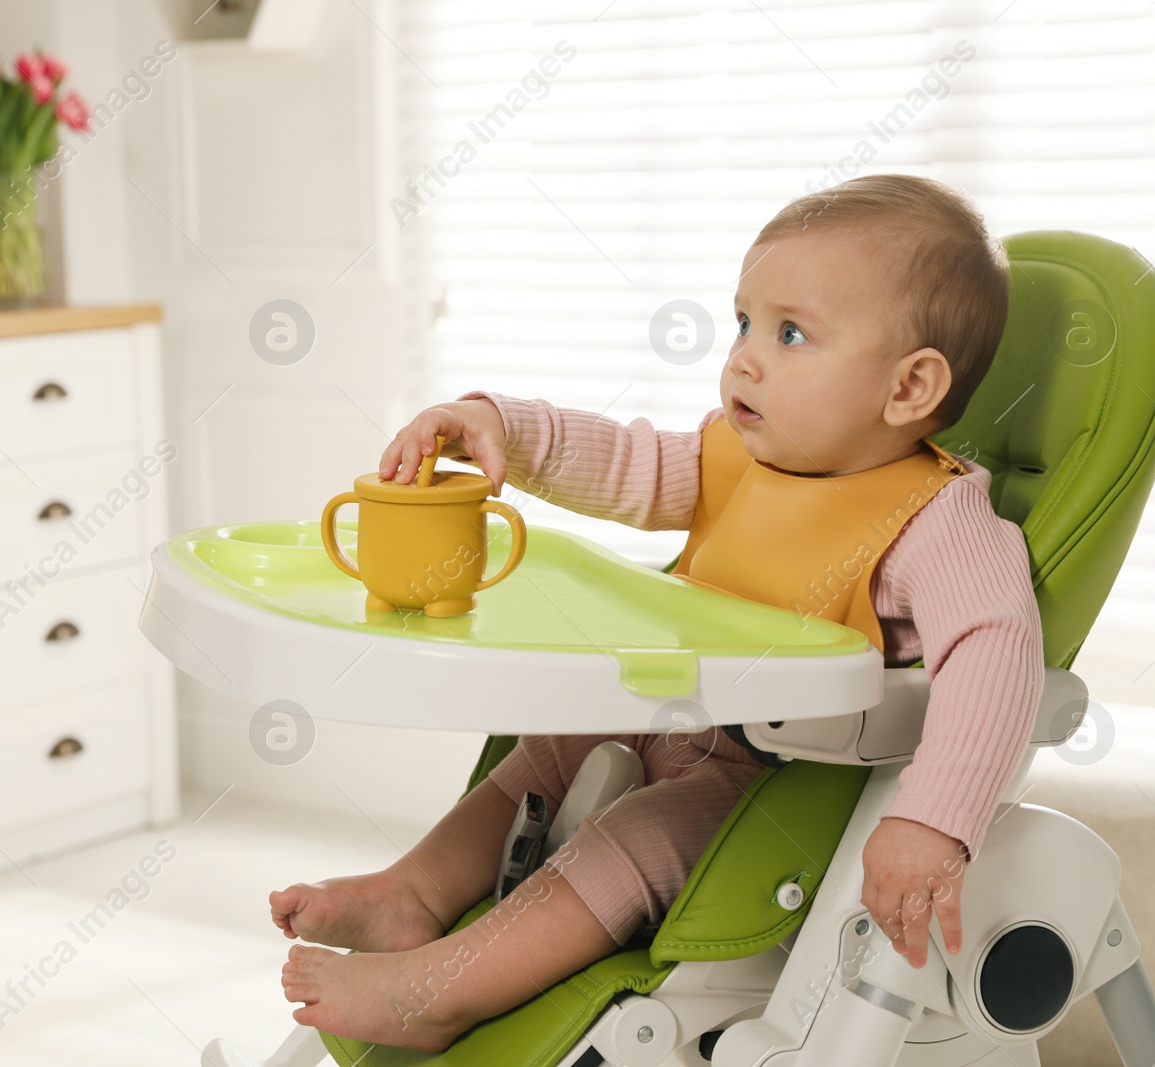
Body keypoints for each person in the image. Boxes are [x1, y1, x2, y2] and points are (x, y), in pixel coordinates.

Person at [270, 173, 1044, 1052]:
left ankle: (442, 991)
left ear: (909, 388)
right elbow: (623, 459)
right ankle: (412, 892)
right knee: (546, 749)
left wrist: (931, 819)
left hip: (773, 780)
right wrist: (496, 425)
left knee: (632, 838)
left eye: (791, 333)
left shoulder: (937, 522)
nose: (745, 356)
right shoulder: (737, 456)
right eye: (744, 322)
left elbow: (997, 652)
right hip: (669, 717)